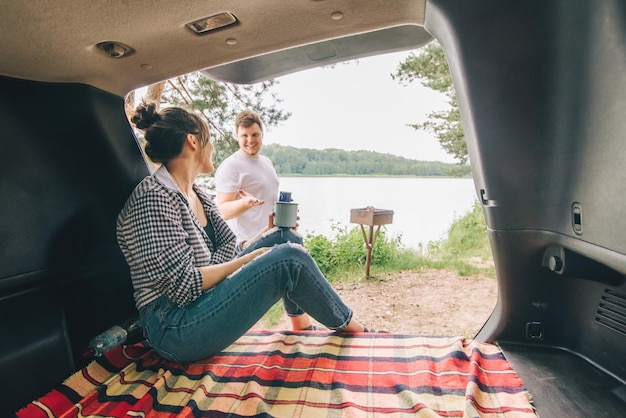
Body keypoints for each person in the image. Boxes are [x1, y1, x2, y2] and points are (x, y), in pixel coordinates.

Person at [116, 102, 376, 363]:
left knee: (287, 237)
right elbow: (183, 287)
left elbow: (228, 253)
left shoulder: (198, 195)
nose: (213, 147)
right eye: (210, 139)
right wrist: (249, 260)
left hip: (202, 302)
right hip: (174, 328)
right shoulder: (153, 200)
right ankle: (355, 329)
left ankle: (303, 325)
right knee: (289, 259)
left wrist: (267, 232)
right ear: (193, 142)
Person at [214, 110, 278, 246]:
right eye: (244, 135)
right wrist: (245, 203)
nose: (250, 140)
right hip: (246, 243)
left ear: (262, 134)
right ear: (237, 136)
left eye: (255, 135)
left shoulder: (266, 162)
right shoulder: (231, 166)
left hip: (270, 237)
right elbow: (223, 211)